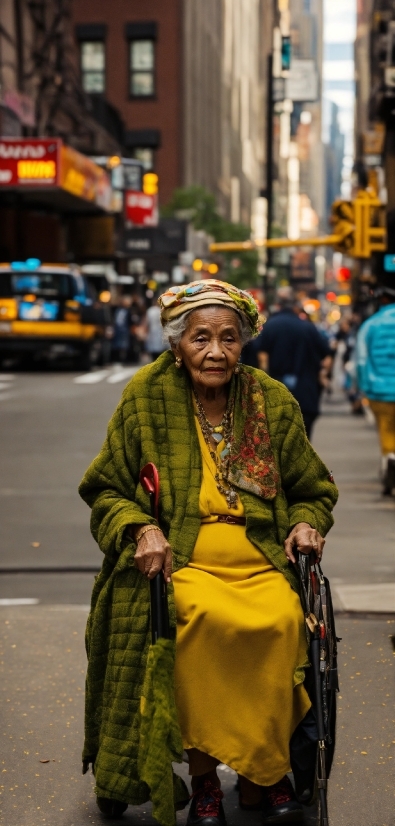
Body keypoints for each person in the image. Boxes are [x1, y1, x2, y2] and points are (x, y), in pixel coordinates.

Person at [79, 279, 338, 826]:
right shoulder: (146, 397)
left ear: (244, 344)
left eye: (228, 338)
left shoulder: (269, 399)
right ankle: (204, 784)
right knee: (196, 620)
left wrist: (306, 524)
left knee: (282, 621)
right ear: (176, 344)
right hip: (186, 560)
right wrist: (139, 529)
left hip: (259, 557)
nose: (215, 352)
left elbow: (313, 489)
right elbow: (106, 488)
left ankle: (260, 776)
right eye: (200, 338)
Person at [254, 288, 332, 440]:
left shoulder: (270, 326)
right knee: (304, 438)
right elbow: (327, 354)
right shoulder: (308, 327)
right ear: (296, 307)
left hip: (277, 392)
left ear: (278, 305)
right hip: (306, 392)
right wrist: (323, 375)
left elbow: (262, 356)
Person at [356, 286, 395, 495]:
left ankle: (389, 459)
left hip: (380, 390)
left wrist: (363, 386)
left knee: (387, 430)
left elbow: (361, 360)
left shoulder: (370, 325)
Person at [145, 296, 170, 360]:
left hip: (152, 331)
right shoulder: (161, 310)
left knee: (153, 348)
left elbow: (147, 322)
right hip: (160, 330)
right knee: (160, 348)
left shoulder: (149, 310)